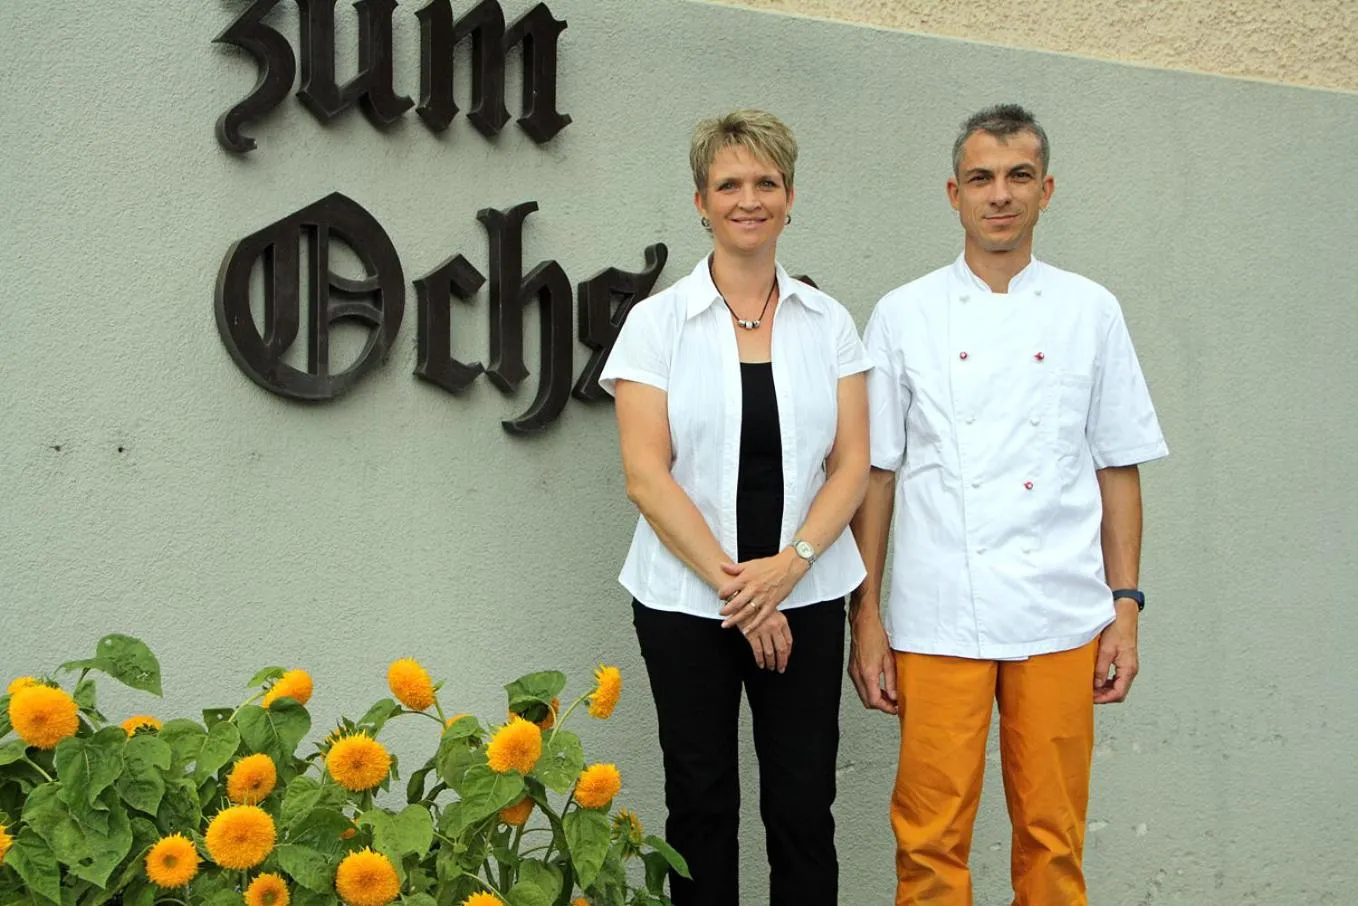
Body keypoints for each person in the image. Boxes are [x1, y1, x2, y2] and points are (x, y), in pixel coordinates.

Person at [848, 104, 1168, 905]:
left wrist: (1124, 607)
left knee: (1054, 838)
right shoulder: (903, 313)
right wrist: (867, 615)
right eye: (982, 178)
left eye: (1018, 176)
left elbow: (1117, 467)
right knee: (928, 841)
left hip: (1063, 608)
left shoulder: (1091, 309)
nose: (1001, 194)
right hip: (937, 612)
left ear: (1047, 189)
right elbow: (876, 476)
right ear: (952, 193)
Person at [599, 109, 871, 905]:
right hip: (686, 603)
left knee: (801, 808)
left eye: (765, 182)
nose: (747, 199)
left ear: (790, 197)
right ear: (700, 202)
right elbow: (647, 478)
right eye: (728, 184)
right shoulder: (657, 326)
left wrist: (790, 570)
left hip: (810, 596)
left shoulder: (830, 324)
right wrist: (745, 597)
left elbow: (852, 465)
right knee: (702, 806)